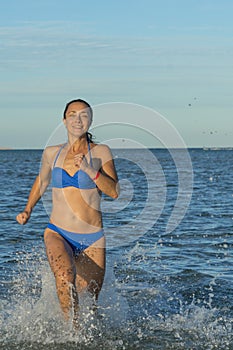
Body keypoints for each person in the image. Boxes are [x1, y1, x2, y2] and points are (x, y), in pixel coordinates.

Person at [16, 98, 119, 325]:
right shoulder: (52, 153)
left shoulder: (101, 151)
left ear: (90, 120)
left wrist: (90, 171)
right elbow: (42, 182)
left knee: (90, 303)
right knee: (65, 277)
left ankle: (85, 335)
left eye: (83, 115)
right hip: (58, 232)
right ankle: (70, 335)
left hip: (92, 238)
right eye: (72, 114)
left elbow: (113, 191)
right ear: (64, 120)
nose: (77, 119)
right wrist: (28, 209)